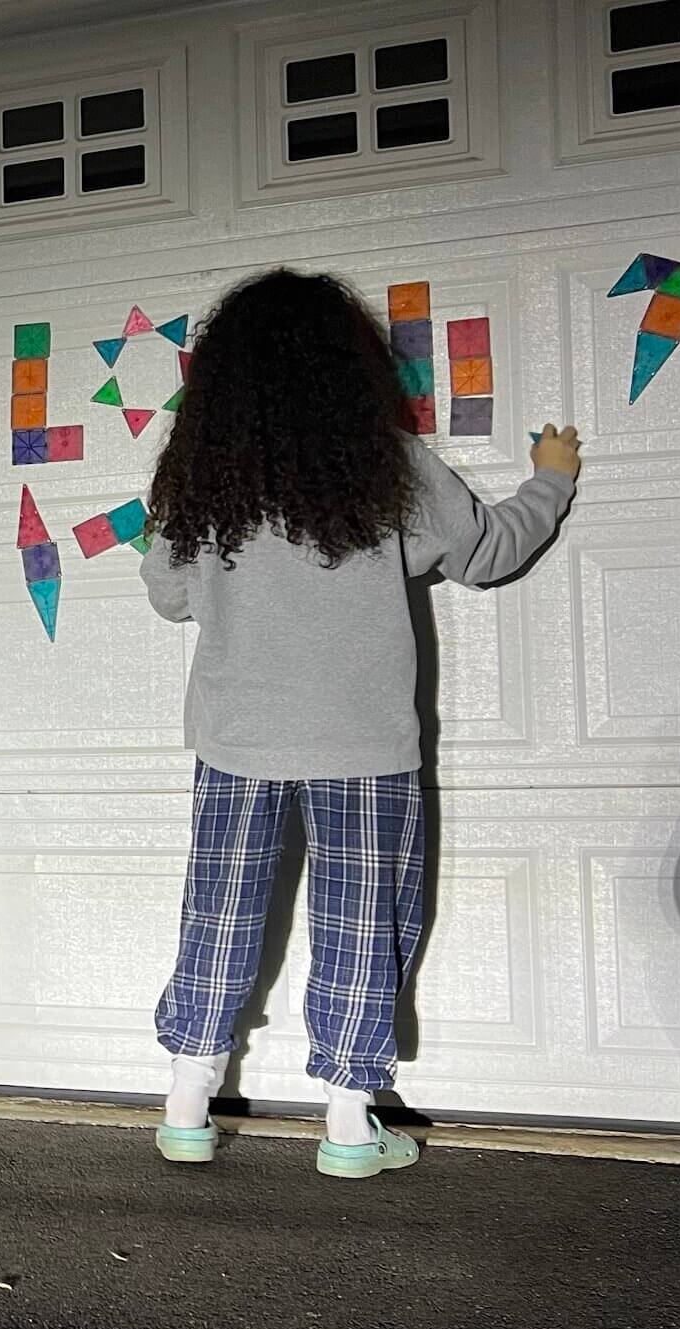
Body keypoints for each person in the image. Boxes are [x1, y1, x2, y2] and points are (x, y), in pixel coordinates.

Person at [139, 270, 582, 1177]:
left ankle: (188, 1106)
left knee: (219, 917)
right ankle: (348, 1126)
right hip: (364, 746)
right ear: (350, 366)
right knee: (362, 921)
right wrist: (551, 479)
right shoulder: (389, 464)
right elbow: (489, 553)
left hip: (237, 742)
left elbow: (170, 597)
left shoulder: (199, 475)